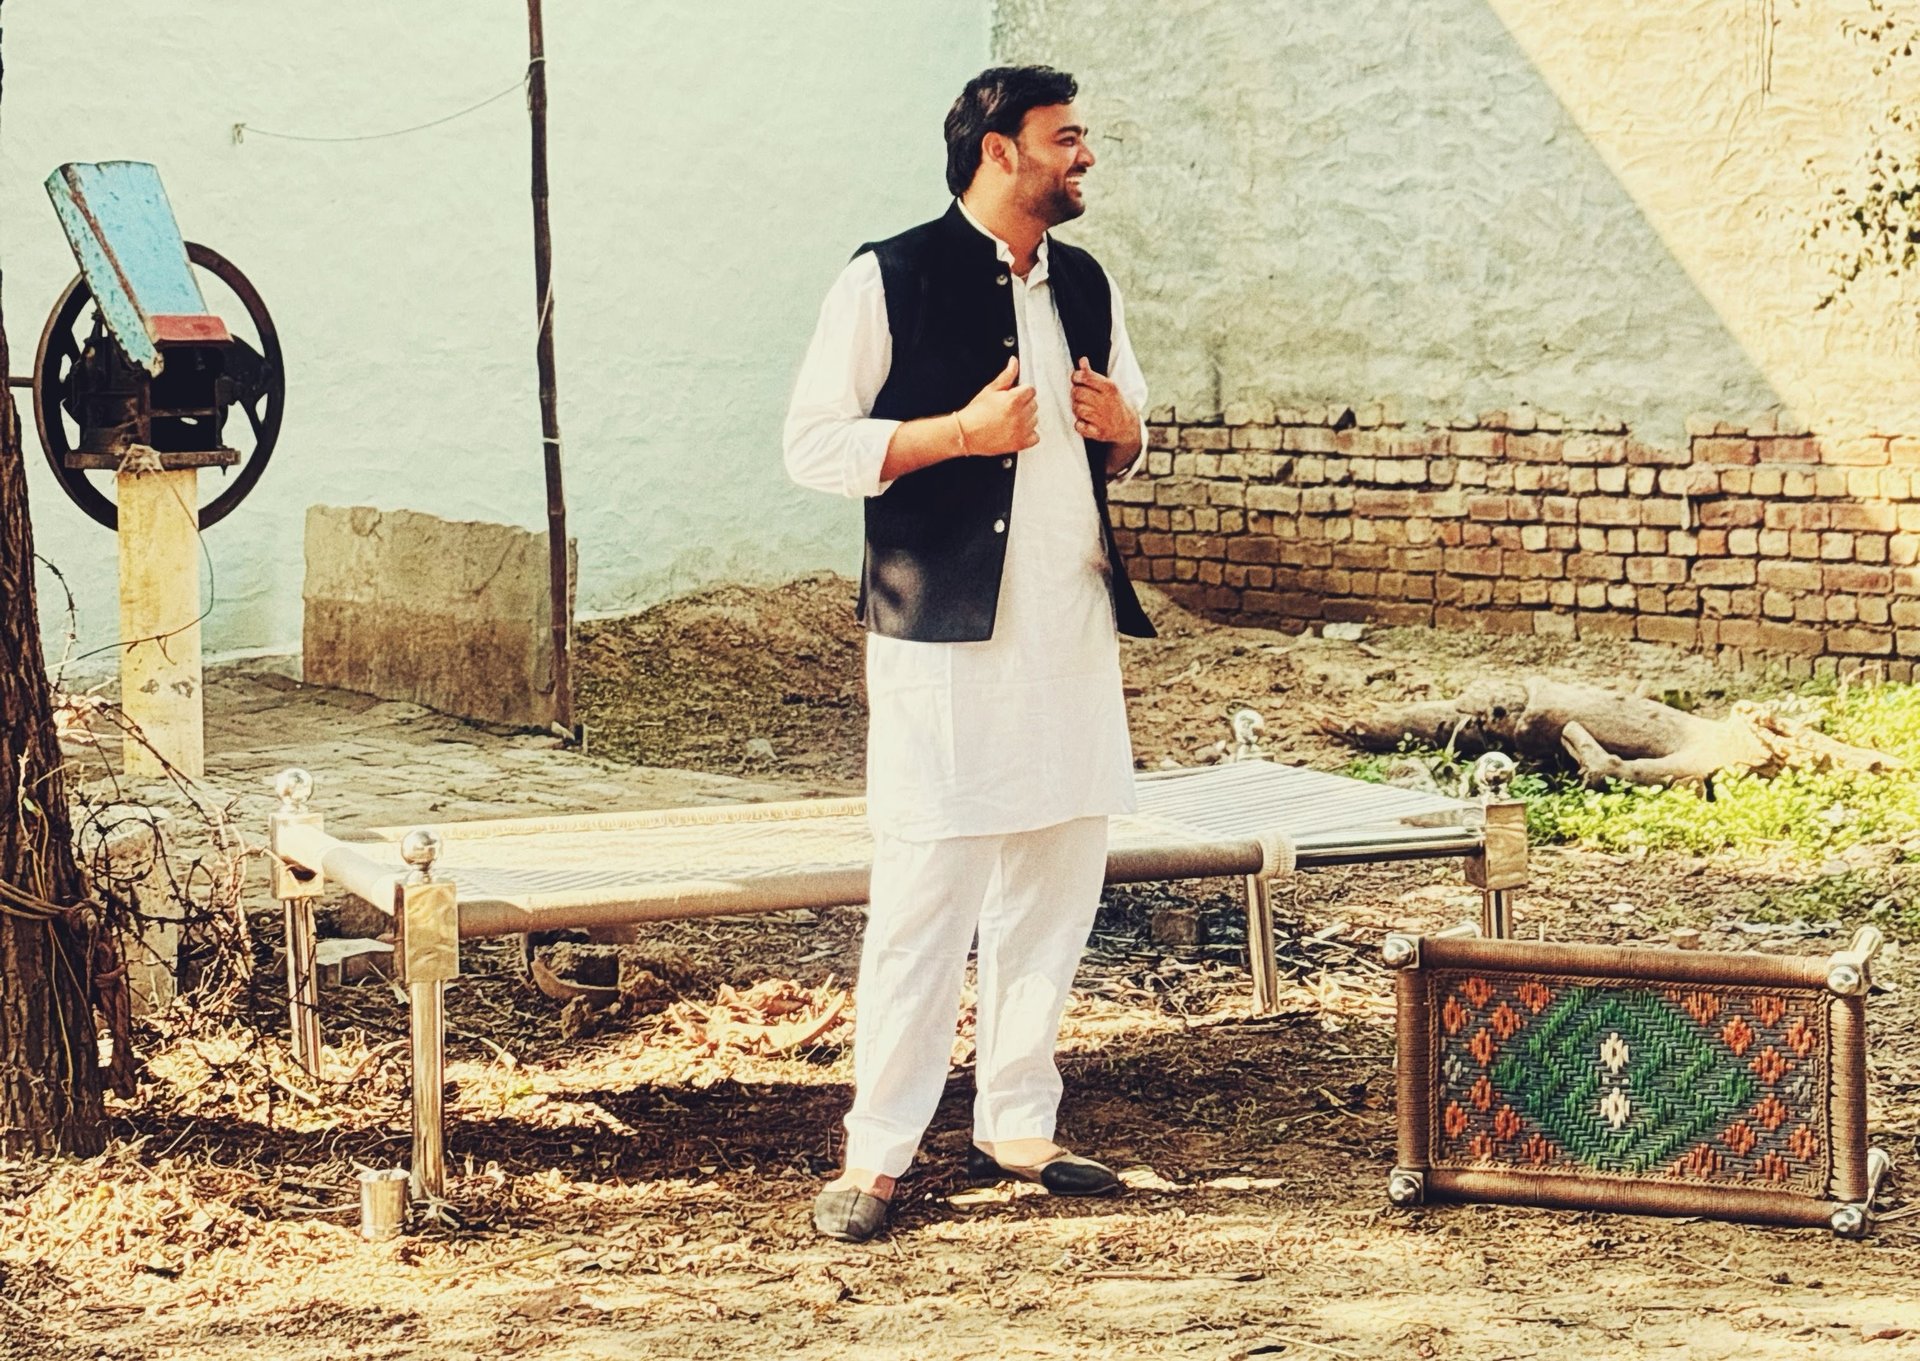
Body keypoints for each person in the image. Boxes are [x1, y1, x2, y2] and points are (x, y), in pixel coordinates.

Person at [783, 64, 1153, 1243]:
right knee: (927, 892)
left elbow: (1134, 422)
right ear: (1000, 151)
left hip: (1071, 626)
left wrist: (1125, 430)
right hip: (944, 639)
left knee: (1056, 875)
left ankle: (1018, 1122)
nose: (1083, 157)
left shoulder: (1085, 280)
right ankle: (878, 1154)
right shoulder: (887, 274)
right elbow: (813, 444)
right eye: (1065, 138)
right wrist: (959, 434)